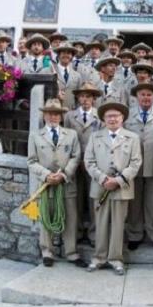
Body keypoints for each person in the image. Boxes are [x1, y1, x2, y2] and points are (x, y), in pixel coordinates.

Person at [27, 99, 87, 267]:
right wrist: (46, 175)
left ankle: (72, 252)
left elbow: (76, 156)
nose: (53, 117)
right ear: (44, 115)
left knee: (70, 217)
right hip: (46, 184)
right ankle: (47, 251)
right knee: (46, 216)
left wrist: (65, 174)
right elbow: (31, 161)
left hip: (66, 182)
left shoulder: (71, 134)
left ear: (61, 116)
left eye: (57, 114)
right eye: (50, 113)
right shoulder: (35, 135)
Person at [85, 102, 142, 275]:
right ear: (103, 118)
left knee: (118, 224)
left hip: (121, 187)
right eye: (109, 116)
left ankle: (116, 259)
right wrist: (103, 179)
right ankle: (99, 257)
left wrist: (118, 180)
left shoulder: (132, 138)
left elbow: (136, 162)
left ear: (122, 118)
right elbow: (89, 161)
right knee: (100, 223)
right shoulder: (95, 137)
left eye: (116, 115)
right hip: (100, 187)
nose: (112, 119)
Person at [124, 82, 153, 251]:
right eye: (142, 94)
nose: (146, 98)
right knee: (134, 203)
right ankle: (135, 234)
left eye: (149, 95)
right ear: (136, 97)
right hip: (133, 165)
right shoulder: (127, 115)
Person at [64, 83, 103, 243]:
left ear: (94, 99)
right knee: (76, 198)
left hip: (93, 162)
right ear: (78, 98)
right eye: (82, 96)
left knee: (94, 197)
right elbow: (66, 138)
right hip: (75, 162)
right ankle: (78, 231)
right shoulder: (69, 116)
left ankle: (94, 232)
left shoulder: (99, 116)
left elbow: (101, 140)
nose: (85, 100)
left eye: (89, 96)